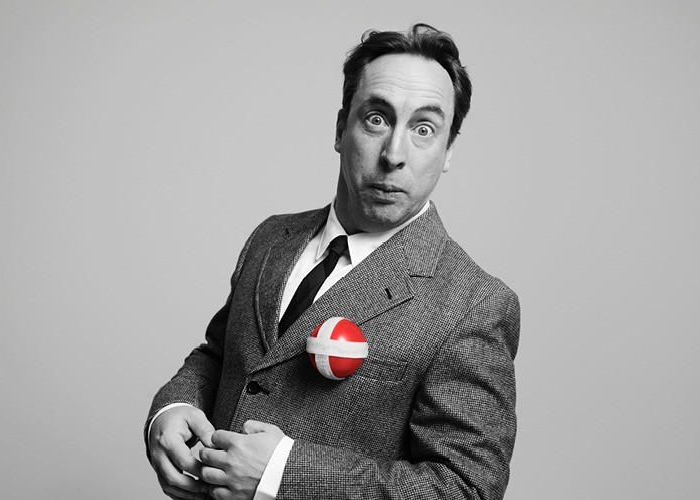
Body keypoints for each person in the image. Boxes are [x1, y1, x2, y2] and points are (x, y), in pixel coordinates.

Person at [145, 24, 520, 500]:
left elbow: (467, 489)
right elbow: (220, 358)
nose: (394, 154)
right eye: (377, 119)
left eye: (424, 129)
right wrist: (171, 408)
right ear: (341, 128)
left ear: (448, 152)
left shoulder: (475, 305)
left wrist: (283, 475)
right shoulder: (271, 238)